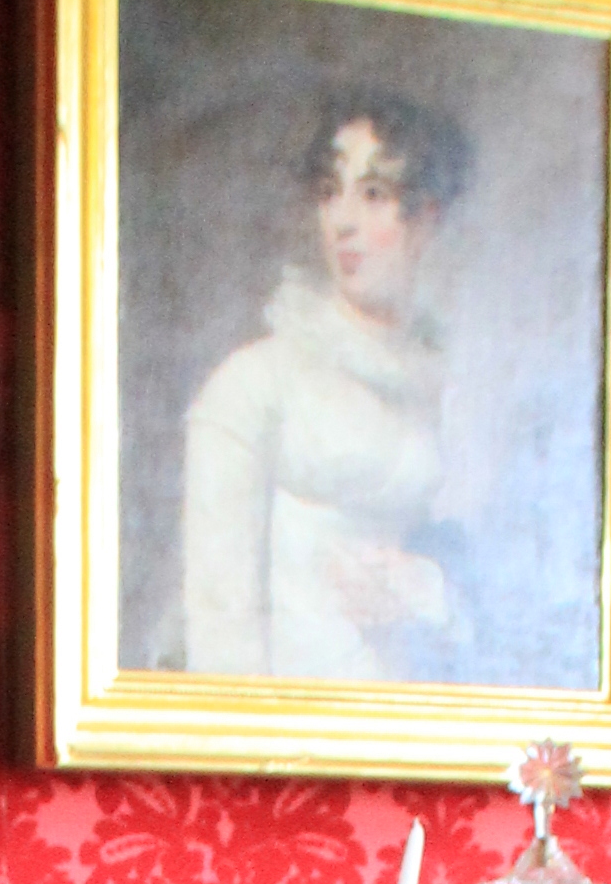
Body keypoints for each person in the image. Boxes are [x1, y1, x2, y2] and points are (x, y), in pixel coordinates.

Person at [179, 89, 471, 682]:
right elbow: (219, 627)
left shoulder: (440, 393)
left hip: (407, 718)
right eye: (329, 193)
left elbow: (473, 602)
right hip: (285, 731)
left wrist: (427, 591)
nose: (342, 221)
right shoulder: (254, 384)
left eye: (373, 195)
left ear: (425, 220)